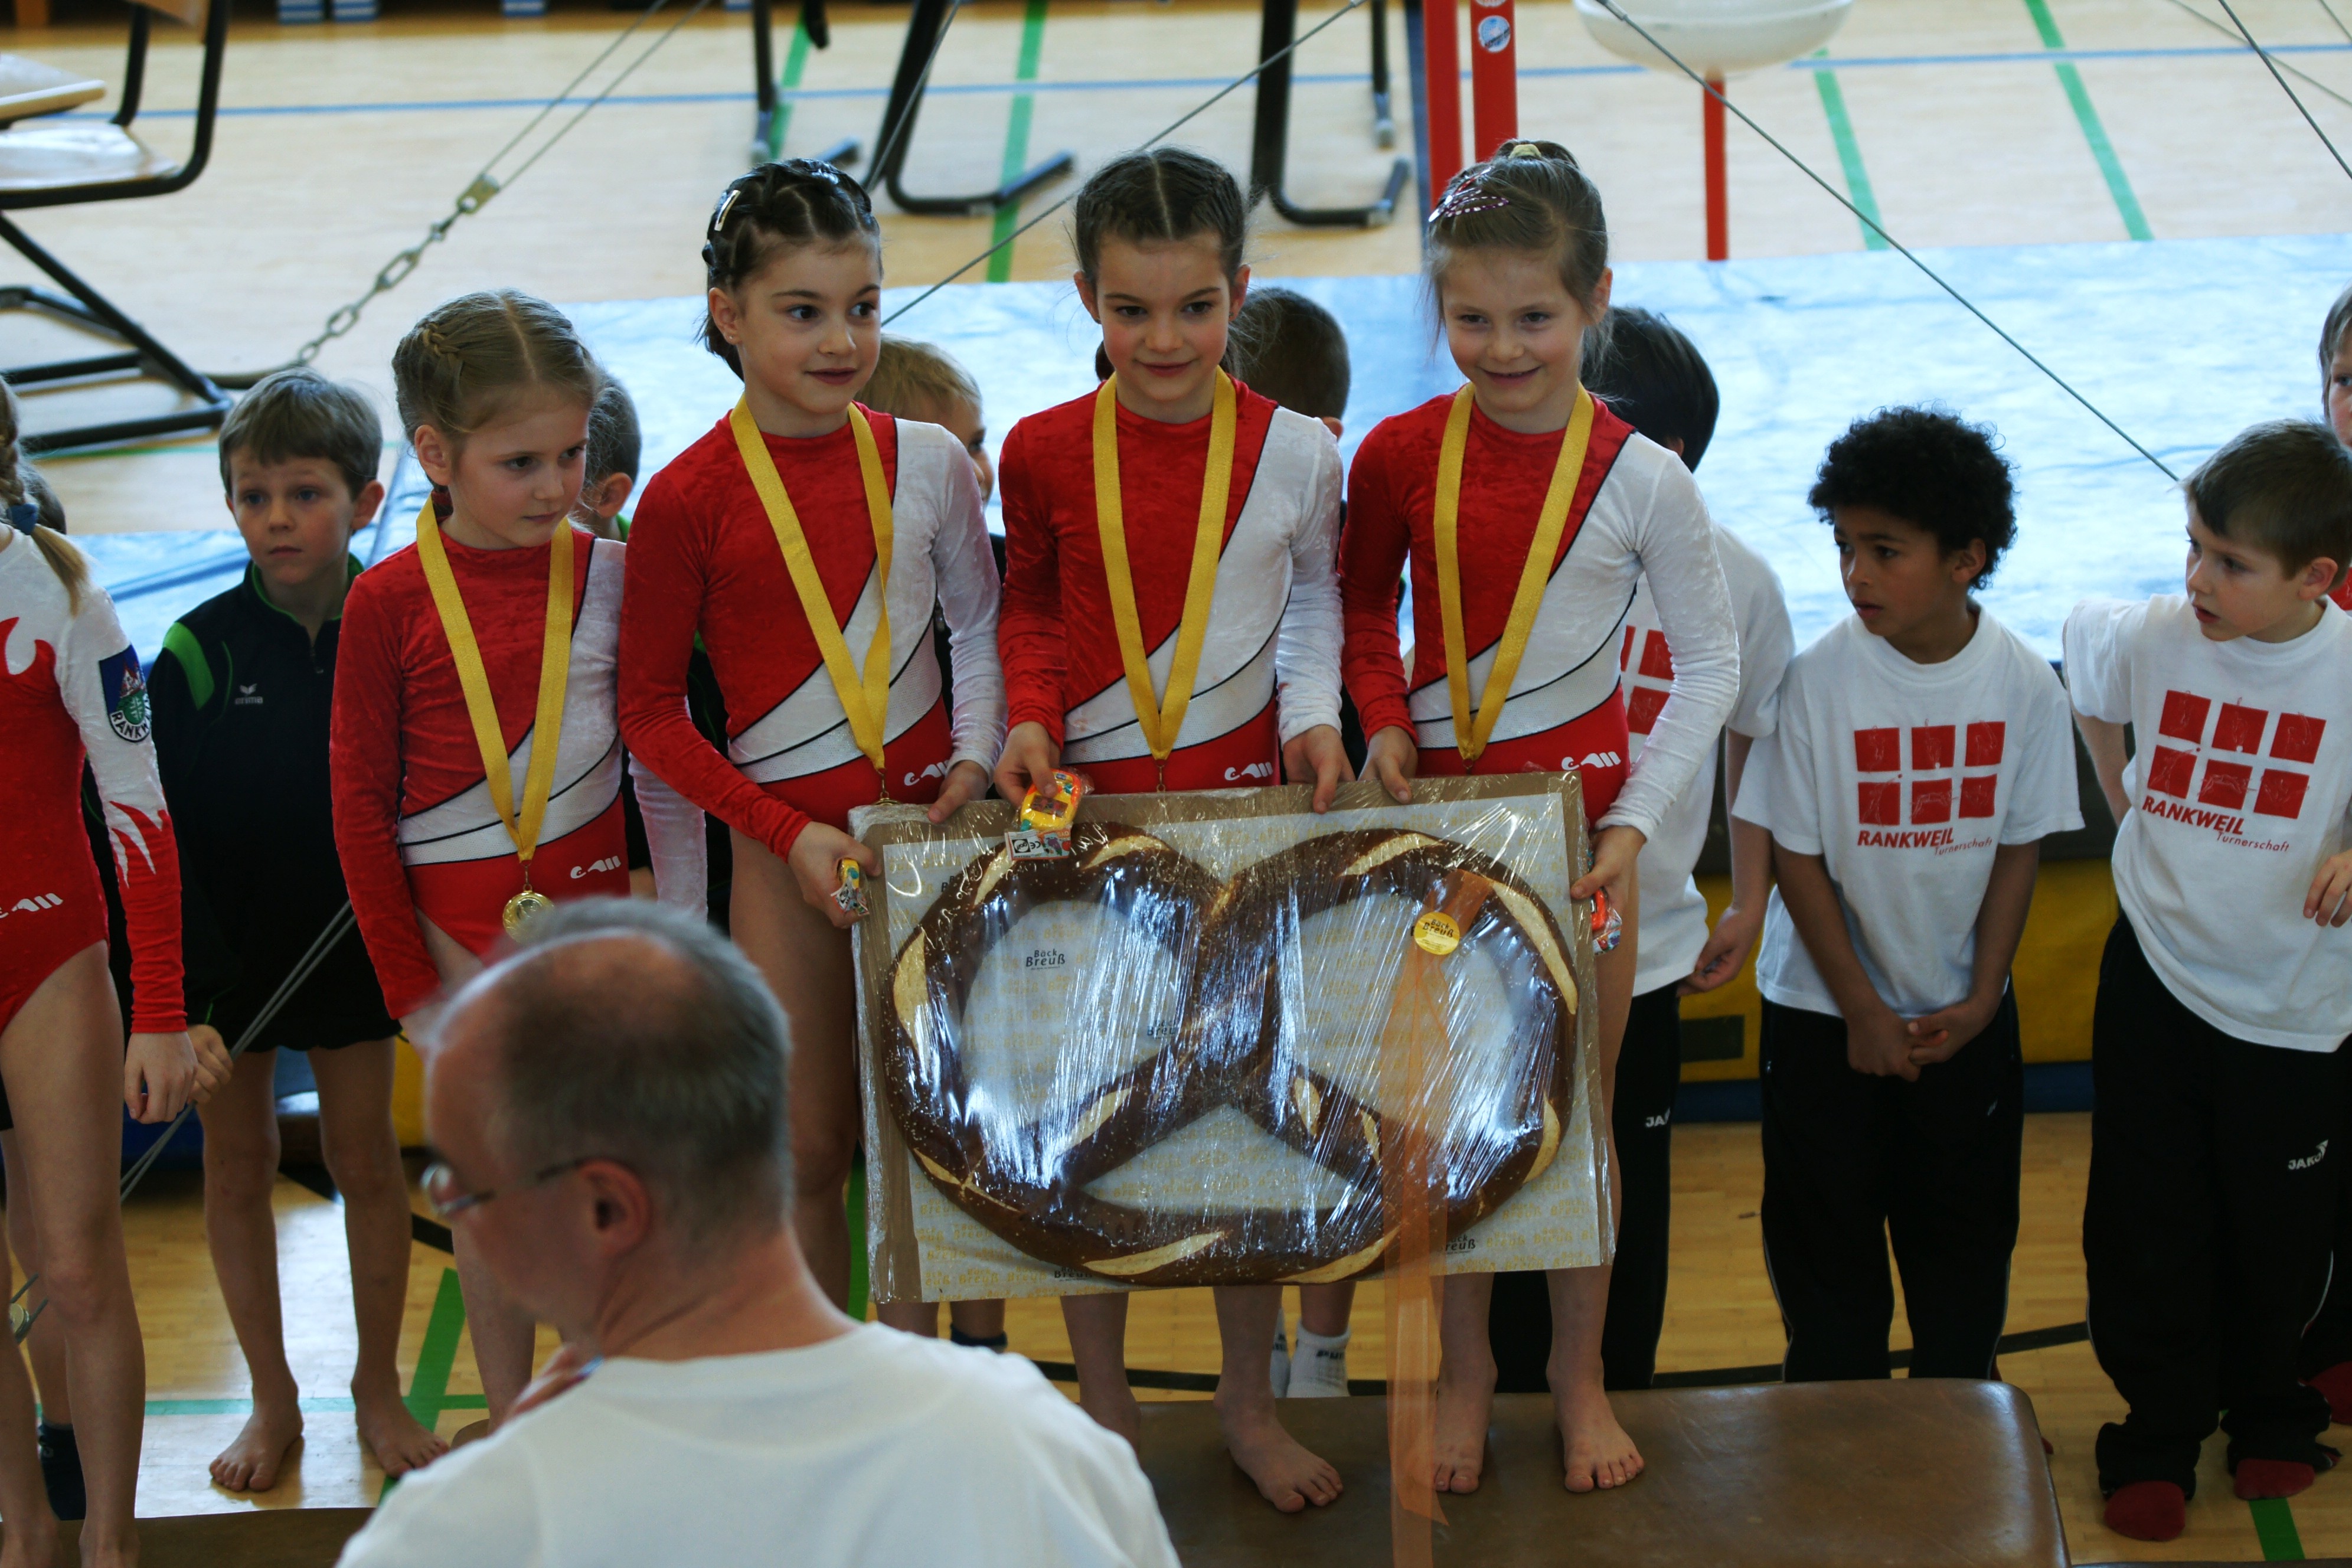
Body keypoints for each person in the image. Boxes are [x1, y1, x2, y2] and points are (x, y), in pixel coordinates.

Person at [329, 898, 1181, 1568]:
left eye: (465, 1187)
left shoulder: (454, 1539)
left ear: (605, 1212)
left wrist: (521, 1480)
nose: (454, 1213)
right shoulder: (1044, 1450)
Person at [1340, 140, 1737, 1495]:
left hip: (1577, 841)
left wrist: (1627, 823)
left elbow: (1715, 665)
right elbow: (1353, 609)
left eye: (1535, 318)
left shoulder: (1642, 478)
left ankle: (1579, 1374)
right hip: (1441, 832)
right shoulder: (1398, 454)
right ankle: (1470, 1369)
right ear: (1437, 308)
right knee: (1445, 1116)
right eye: (1471, 318)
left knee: (1579, 1112)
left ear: (1596, 302)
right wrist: (1384, 712)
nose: (1503, 348)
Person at [992, 146, 1350, 1513]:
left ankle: (1249, 1407)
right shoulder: (1037, 451)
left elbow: (1318, 603)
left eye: (1193, 308)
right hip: (1086, 814)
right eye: (1131, 310)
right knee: (1092, 1120)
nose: (1162, 340)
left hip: (1246, 816)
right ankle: (1110, 1411)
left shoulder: (1301, 452)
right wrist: (1029, 716)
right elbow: (1030, 604)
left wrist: (1311, 717)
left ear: (1239, 293)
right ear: (1087, 296)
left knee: (1247, 1120)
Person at [618, 162, 1005, 1317]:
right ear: (727, 315)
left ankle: (961, 1375)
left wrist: (975, 762)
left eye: (864, 307)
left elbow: (980, 628)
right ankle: (831, 1387)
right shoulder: (691, 499)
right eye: (803, 312)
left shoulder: (926, 461)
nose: (842, 341)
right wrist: (781, 831)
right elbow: (648, 711)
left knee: (957, 1132)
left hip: (937, 838)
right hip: (786, 861)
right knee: (813, 1143)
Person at [332, 290, 705, 1432]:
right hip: (457, 945)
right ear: (435, 456)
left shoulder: (612, 573)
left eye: (572, 454)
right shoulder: (388, 602)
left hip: (597, 936)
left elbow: (659, 757)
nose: (556, 487)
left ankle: (617, 1412)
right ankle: (512, 1421)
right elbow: (355, 804)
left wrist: (679, 925)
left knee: (613, 1188)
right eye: (519, 462)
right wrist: (407, 987)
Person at [148, 367, 449, 1491]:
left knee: (368, 1157)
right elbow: (154, 829)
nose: (278, 518)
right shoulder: (193, 651)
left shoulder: (404, 626)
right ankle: (273, 1399)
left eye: (306, 493)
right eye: (254, 495)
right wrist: (182, 998)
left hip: (360, 942)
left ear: (368, 500)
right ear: (229, 505)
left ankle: (377, 1387)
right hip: (231, 960)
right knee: (237, 1165)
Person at [1733, 409, 2076, 1392]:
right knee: (1827, 1258)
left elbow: (2020, 848)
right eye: (1845, 546)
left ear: (1968, 558)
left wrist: (1981, 997)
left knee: (1963, 1254)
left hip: (1962, 1025)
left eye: (1886, 550)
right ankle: (1837, 1444)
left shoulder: (2023, 686)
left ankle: (1964, 1438)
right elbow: (1797, 859)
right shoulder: (1818, 685)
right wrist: (1865, 1012)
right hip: (1823, 1019)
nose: (1857, 575)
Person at [1486, 308, 1795, 1396]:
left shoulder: (1740, 580)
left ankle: (1616, 1394)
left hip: (1649, 948)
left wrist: (1746, 901)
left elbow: (1753, 738)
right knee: (1500, 1185)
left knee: (1629, 1195)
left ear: (1659, 459)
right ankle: (1513, 1394)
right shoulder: (1503, 544)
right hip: (1501, 938)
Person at [2066, 419, 2352, 1542]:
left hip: (2291, 1007)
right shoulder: (2154, 631)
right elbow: (2088, 663)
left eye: (2231, 564)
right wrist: (2122, 792)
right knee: (2145, 1219)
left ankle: (2273, 1414)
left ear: (2317, 578)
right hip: (2155, 977)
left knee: (2280, 1226)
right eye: (2191, 547)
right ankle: (2155, 1435)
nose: (2197, 580)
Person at [0, 378, 225, 1568]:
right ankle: (26, 1531)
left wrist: (165, 1008)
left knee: (79, 1264)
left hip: (47, 951)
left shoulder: (69, 592)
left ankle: (111, 1545)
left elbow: (141, 808)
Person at [1214, 283, 1361, 1401]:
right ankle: (1268, 1355)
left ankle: (1321, 1350)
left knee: (1323, 1085)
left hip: (1309, 810)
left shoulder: (1324, 520)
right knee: (1237, 1100)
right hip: (1209, 826)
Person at [850, 332, 1010, 1354]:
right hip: (877, 883)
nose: (980, 472)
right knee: (891, 1124)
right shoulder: (857, 604)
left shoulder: (998, 571)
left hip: (985, 879)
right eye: (957, 451)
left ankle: (989, 1344)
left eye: (982, 443)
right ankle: (902, 1353)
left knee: (988, 1110)